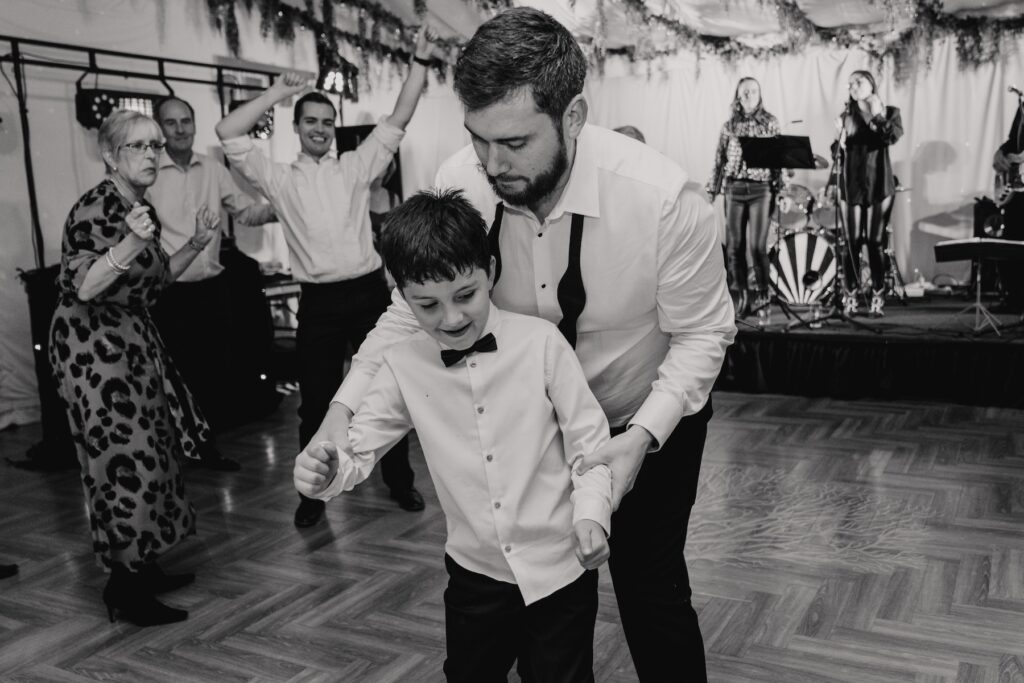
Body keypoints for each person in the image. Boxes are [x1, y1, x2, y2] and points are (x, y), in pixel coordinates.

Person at [315, 9, 736, 681]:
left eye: (513, 142)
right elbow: (407, 312)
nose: (493, 163)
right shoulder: (465, 181)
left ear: (573, 115)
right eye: (478, 140)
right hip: (529, 424)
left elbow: (704, 334)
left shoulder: (663, 202)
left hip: (645, 412)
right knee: (523, 588)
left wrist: (639, 438)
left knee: (650, 586)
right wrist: (342, 409)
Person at [295, 189, 612, 682]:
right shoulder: (401, 367)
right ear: (400, 295)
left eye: (465, 295)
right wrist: (325, 472)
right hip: (474, 575)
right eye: (427, 305)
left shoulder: (542, 344)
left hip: (560, 567)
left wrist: (592, 514)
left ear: (489, 270)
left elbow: (590, 445)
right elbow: (355, 450)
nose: (452, 319)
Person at [216, 28, 441, 527]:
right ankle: (313, 495)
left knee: (387, 393)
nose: (319, 128)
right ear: (296, 126)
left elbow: (399, 117)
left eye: (327, 121)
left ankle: (399, 483)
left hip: (368, 296)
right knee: (315, 402)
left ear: (334, 128)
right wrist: (278, 91)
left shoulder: (356, 168)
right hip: (316, 302)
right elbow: (228, 131)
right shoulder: (277, 178)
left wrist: (420, 60)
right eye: (311, 121)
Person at [47, 110, 221, 626]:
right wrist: (129, 242)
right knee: (122, 462)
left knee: (154, 454)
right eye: (139, 147)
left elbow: (156, 280)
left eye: (155, 147)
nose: (152, 155)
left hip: (129, 342)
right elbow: (82, 285)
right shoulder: (96, 208)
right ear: (110, 155)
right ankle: (124, 587)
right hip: (92, 353)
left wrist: (194, 242)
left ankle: (143, 566)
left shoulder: (135, 205)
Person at [149, 96, 277, 467]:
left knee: (215, 369)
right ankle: (180, 449)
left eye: (186, 120)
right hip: (171, 290)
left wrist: (285, 204)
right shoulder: (150, 173)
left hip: (212, 289)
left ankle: (207, 446)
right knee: (178, 374)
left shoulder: (213, 169)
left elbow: (247, 212)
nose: (180, 129)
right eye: (171, 122)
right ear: (160, 128)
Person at [706, 77, 782, 327]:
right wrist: (712, 190)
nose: (749, 95)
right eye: (745, 92)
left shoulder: (770, 122)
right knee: (734, 247)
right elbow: (719, 159)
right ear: (738, 96)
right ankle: (740, 297)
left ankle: (762, 294)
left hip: (761, 189)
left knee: (757, 246)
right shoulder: (729, 126)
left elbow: (777, 160)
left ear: (760, 94)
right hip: (734, 188)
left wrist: (781, 191)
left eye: (754, 91)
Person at [834, 69, 903, 317]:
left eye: (858, 81)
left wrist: (876, 116)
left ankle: (877, 293)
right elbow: (837, 154)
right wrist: (838, 141)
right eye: (850, 83)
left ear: (871, 85)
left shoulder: (889, 112)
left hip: (879, 185)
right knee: (851, 243)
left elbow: (891, 136)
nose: (853, 86)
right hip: (852, 185)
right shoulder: (846, 116)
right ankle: (850, 294)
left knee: (875, 242)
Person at [992, 96, 1024, 310]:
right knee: (1010, 243)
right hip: (1018, 190)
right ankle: (1013, 297)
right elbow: (1014, 140)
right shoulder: (1022, 109)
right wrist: (1000, 153)